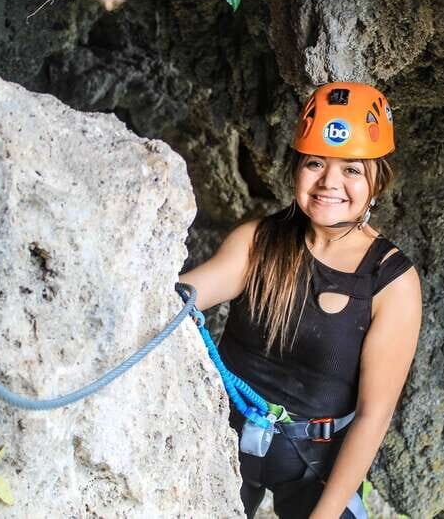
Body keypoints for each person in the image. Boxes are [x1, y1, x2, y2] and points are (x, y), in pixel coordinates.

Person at [179, 82, 423, 519]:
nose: (329, 183)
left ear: (377, 179)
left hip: (317, 466)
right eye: (315, 163)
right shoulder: (259, 241)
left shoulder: (391, 282)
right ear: (296, 168)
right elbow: (185, 298)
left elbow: (373, 416)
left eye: (352, 169)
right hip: (217, 440)